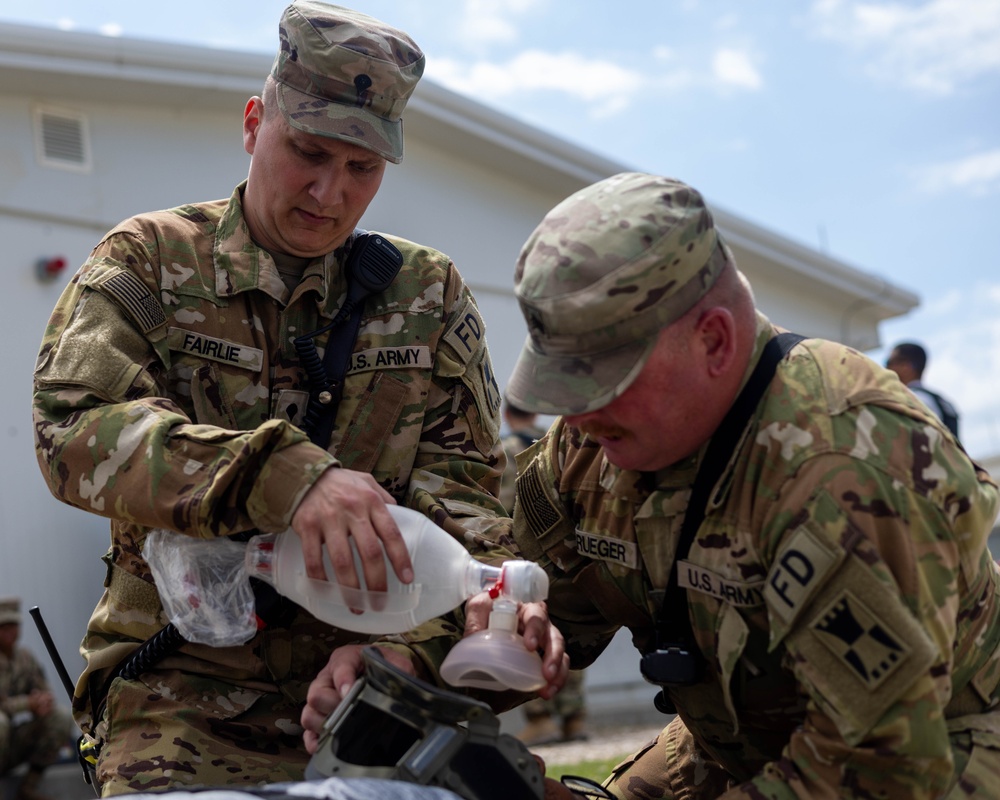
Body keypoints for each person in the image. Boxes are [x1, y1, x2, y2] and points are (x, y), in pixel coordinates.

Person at [306, 173, 1000, 799]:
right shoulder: (593, 444)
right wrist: (411, 661)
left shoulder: (844, 469)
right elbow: (529, 596)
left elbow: (877, 769)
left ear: (715, 342)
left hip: (932, 754)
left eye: (601, 381)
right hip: (734, 738)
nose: (574, 414)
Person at [31, 2, 521, 794]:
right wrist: (282, 476)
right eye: (309, 151)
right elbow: (72, 428)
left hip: (375, 686)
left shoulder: (427, 294)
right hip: (183, 692)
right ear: (256, 124)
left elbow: (465, 499)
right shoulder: (151, 259)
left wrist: (419, 650)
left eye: (362, 170)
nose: (329, 192)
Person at [499, 402, 589, 746]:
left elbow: (504, 508)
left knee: (529, 634)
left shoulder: (508, 452)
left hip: (525, 557)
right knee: (569, 631)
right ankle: (574, 718)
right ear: (534, 414)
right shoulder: (556, 444)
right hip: (566, 555)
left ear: (507, 415)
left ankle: (540, 718)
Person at [0, 598, 74, 800]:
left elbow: (43, 690)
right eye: (2, 626)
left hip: (11, 745)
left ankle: (28, 788)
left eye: (13, 625)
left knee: (60, 716)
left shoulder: (25, 657)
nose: (8, 632)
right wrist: (27, 704)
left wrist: (42, 702)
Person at [886, 341, 960, 438]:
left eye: (888, 363)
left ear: (905, 367)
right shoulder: (936, 399)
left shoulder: (913, 400)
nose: (885, 369)